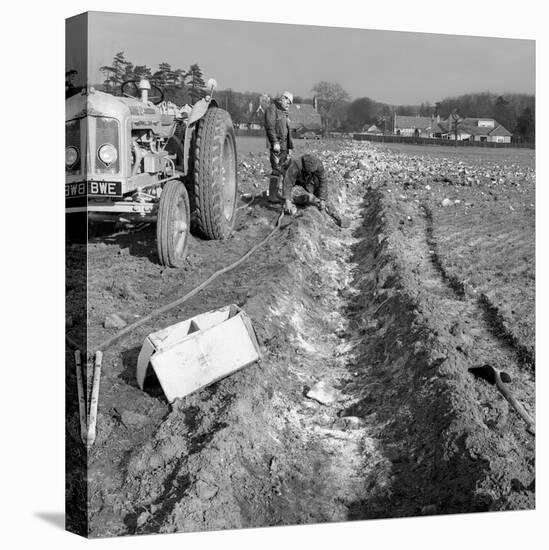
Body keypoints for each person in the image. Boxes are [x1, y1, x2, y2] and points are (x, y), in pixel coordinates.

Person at [280, 154, 350, 228]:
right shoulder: (295, 165)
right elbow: (288, 183)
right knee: (302, 197)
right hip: (294, 180)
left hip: (308, 179)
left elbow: (323, 180)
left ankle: (337, 218)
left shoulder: (318, 164)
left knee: (323, 200)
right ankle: (293, 201)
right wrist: (287, 201)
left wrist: (322, 198)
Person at [264, 91, 294, 202]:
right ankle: (272, 196)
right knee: (276, 169)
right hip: (277, 145)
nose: (288, 105)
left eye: (290, 103)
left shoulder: (284, 112)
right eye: (288, 102)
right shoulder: (272, 109)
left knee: (283, 169)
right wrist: (275, 142)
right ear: (283, 98)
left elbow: (288, 132)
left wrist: (290, 147)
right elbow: (270, 127)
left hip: (285, 146)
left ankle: (277, 193)